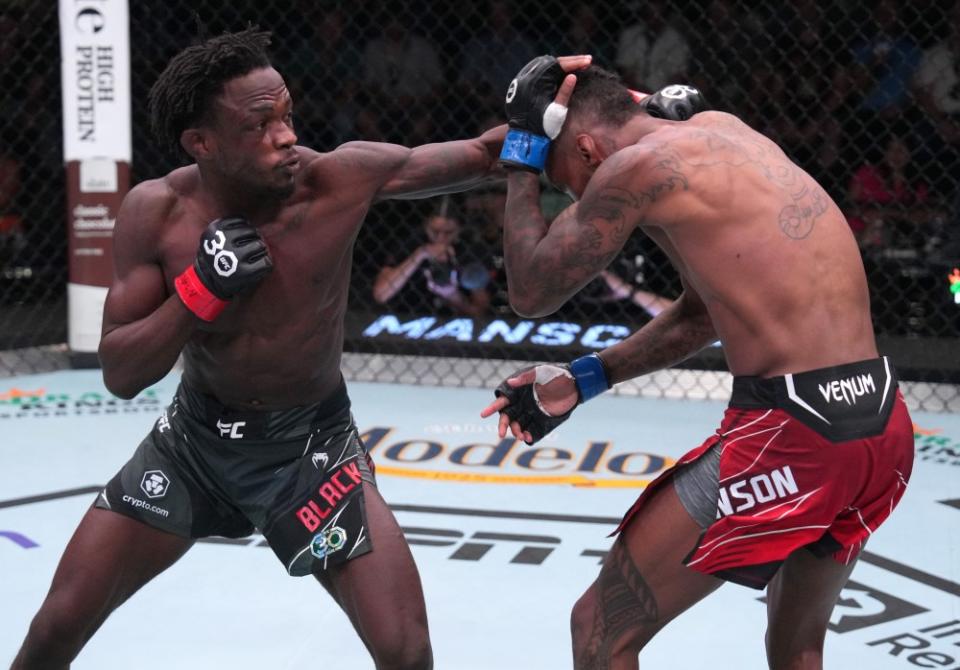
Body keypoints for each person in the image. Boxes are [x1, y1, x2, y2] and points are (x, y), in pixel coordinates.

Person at [8, 28, 588, 668]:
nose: (286, 135)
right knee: (56, 625)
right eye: (260, 125)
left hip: (310, 448)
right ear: (201, 143)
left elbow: (483, 155)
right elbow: (120, 370)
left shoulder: (337, 179)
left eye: (286, 115)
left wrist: (541, 114)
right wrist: (200, 293)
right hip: (193, 447)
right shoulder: (158, 212)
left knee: (405, 649)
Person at [481, 57, 914, 669]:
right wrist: (585, 379)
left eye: (566, 181)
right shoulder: (723, 129)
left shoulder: (633, 167)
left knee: (602, 632)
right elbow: (701, 316)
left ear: (585, 147)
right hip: (879, 419)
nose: (575, 199)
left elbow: (530, 290)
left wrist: (524, 152)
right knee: (798, 649)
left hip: (796, 429)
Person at [372, 203, 490, 318]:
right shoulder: (410, 245)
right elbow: (381, 294)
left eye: (448, 232)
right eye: (435, 231)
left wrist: (453, 295)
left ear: (458, 230)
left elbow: (479, 312)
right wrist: (420, 254)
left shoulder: (468, 251)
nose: (440, 238)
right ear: (426, 227)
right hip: (406, 316)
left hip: (454, 325)